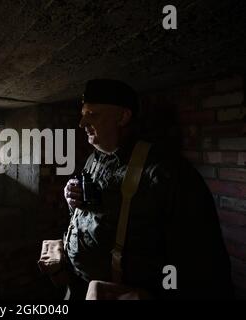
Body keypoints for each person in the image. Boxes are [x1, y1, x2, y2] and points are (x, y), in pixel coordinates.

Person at [61, 79, 233, 299]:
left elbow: (200, 266)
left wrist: (159, 295)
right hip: (81, 286)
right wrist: (73, 202)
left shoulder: (167, 174)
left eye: (93, 114)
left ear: (123, 117)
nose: (82, 122)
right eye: (83, 113)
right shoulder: (94, 159)